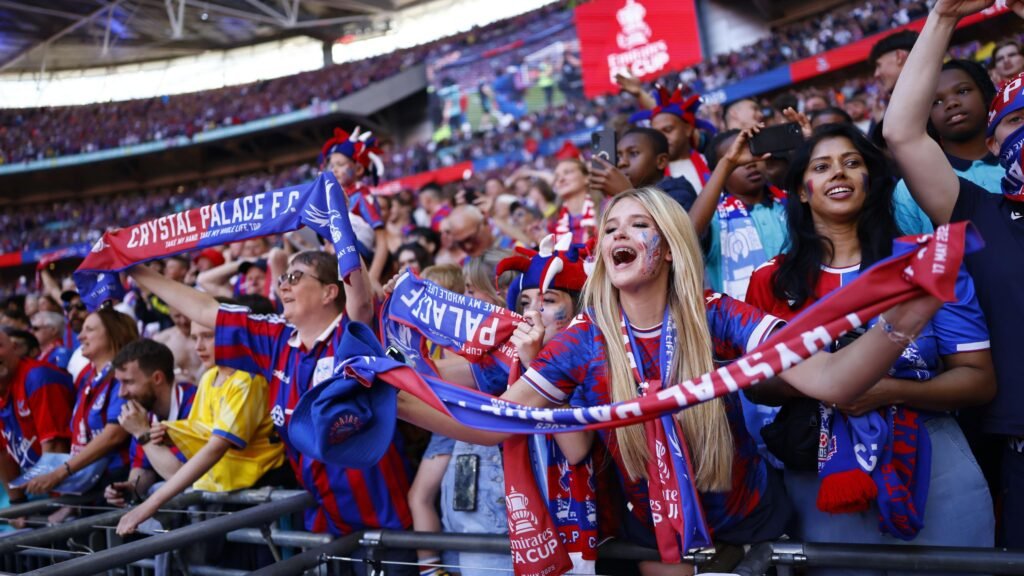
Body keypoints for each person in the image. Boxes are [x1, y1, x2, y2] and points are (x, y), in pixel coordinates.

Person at [399, 187, 944, 575]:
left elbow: (831, 380)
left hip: (749, 525)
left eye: (639, 224)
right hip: (653, 534)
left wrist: (907, 317)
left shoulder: (715, 313)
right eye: (610, 228)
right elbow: (496, 423)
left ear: (668, 245)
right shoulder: (583, 339)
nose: (619, 234)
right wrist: (393, 396)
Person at [746, 123, 996, 563]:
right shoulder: (771, 280)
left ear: (871, 179)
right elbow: (756, 386)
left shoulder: (926, 262)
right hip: (821, 465)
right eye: (821, 167)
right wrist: (829, 382)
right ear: (801, 191)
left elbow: (978, 380)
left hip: (933, 458)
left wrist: (888, 390)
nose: (838, 173)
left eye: (852, 162)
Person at [127, 250, 415, 571]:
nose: (283, 285)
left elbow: (359, 295)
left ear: (329, 292)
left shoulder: (356, 333)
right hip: (326, 523)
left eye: (295, 277)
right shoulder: (276, 341)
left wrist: (337, 226)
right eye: (282, 278)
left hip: (384, 523)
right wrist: (132, 267)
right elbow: (206, 309)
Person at [882, 0, 1024, 548]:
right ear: (992, 145)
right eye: (1016, 121)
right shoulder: (980, 214)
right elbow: (902, 133)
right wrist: (943, 17)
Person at [114, 320, 286, 535]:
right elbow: (202, 432)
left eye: (208, 336)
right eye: (194, 338)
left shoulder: (246, 379)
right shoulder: (208, 378)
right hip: (223, 490)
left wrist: (149, 505)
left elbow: (214, 448)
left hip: (256, 493)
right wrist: (174, 432)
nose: (198, 346)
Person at [26, 307, 138, 496]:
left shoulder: (124, 377)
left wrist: (60, 473)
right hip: (88, 484)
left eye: (90, 330)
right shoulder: (87, 377)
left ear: (114, 333)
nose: (80, 336)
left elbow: (114, 435)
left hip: (116, 485)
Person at [891, 59, 1001, 235]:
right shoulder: (910, 189)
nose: (951, 103)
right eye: (936, 102)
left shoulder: (1018, 158)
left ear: (985, 94)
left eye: (963, 91)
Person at [689, 128, 787, 299]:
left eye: (754, 153)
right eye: (737, 161)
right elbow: (687, 233)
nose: (750, 163)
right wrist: (727, 163)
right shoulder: (715, 219)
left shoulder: (786, 205)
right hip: (745, 315)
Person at [103, 340, 196, 521]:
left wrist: (142, 433)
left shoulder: (195, 403)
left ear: (157, 378)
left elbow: (182, 477)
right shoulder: (145, 411)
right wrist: (131, 487)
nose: (121, 393)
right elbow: (143, 468)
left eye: (128, 382)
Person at [0, 328, 74, 503]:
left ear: (14, 347)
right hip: (42, 489)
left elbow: (56, 448)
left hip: (72, 490)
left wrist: (59, 505)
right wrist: (17, 504)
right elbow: (3, 455)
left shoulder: (38, 378)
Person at [320, 126, 389, 290]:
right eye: (331, 165)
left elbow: (381, 241)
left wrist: (373, 277)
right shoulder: (331, 198)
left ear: (358, 169)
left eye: (340, 164)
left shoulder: (362, 197)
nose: (334, 169)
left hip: (357, 257)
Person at [549, 159, 597, 245]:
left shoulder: (606, 208)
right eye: (556, 177)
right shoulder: (554, 223)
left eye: (567, 172)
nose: (561, 179)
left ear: (586, 178)